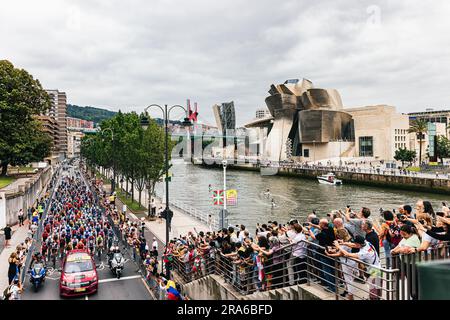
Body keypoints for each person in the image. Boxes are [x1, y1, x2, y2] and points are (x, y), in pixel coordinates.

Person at [334, 235, 382, 300]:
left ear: (359, 244)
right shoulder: (366, 243)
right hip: (376, 266)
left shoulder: (364, 252)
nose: (354, 244)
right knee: (376, 289)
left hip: (374, 270)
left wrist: (338, 246)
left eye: (356, 243)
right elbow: (353, 245)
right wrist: (342, 243)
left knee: (374, 291)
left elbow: (347, 254)